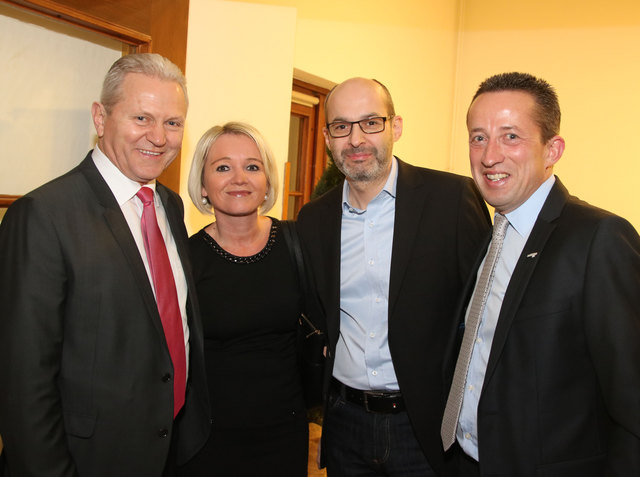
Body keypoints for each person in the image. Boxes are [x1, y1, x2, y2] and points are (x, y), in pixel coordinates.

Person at [0, 53, 210, 477]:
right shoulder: (43, 215)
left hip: (167, 451)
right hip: (86, 461)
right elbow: (23, 383)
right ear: (100, 117)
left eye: (173, 123)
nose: (159, 136)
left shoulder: (169, 205)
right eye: (141, 118)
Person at [441, 72, 640, 476]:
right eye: (478, 137)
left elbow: (632, 403)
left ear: (553, 149)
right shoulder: (492, 233)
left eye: (510, 136)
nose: (489, 155)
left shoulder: (598, 238)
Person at [296, 77, 491, 476]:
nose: (355, 139)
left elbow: (483, 309)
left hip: (425, 424)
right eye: (341, 126)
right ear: (327, 137)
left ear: (395, 127)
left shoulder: (452, 199)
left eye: (370, 122)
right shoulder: (314, 219)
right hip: (345, 421)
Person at [179, 122, 309, 476]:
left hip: (285, 434)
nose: (240, 178)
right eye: (223, 167)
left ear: (266, 181)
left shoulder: (297, 244)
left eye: (252, 166)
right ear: (203, 185)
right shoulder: (185, 259)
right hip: (208, 441)